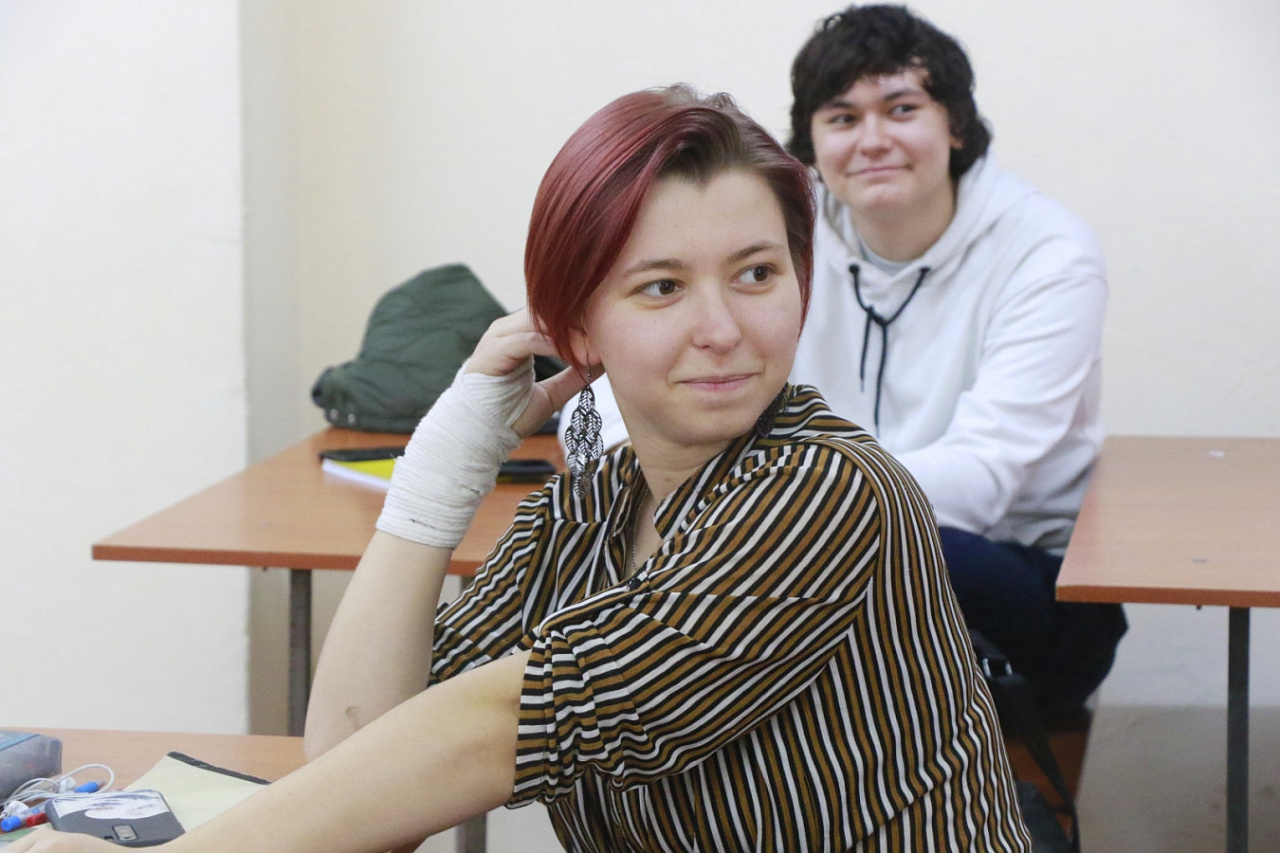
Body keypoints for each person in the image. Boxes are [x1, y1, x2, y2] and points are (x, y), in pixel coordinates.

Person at [12, 86, 1029, 852]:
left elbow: (494, 723)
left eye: (756, 273)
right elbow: (359, 751)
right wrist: (443, 466)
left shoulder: (828, 490)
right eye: (661, 286)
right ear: (574, 327)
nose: (722, 328)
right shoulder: (587, 509)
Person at [564, 4, 1127, 723]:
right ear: (812, 140)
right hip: (782, 548)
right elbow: (607, 406)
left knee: (890, 557)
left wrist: (766, 508)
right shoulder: (779, 236)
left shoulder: (1048, 254)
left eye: (901, 109)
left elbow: (982, 480)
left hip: (1009, 570)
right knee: (598, 545)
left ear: (955, 125)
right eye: (843, 117)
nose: (873, 140)